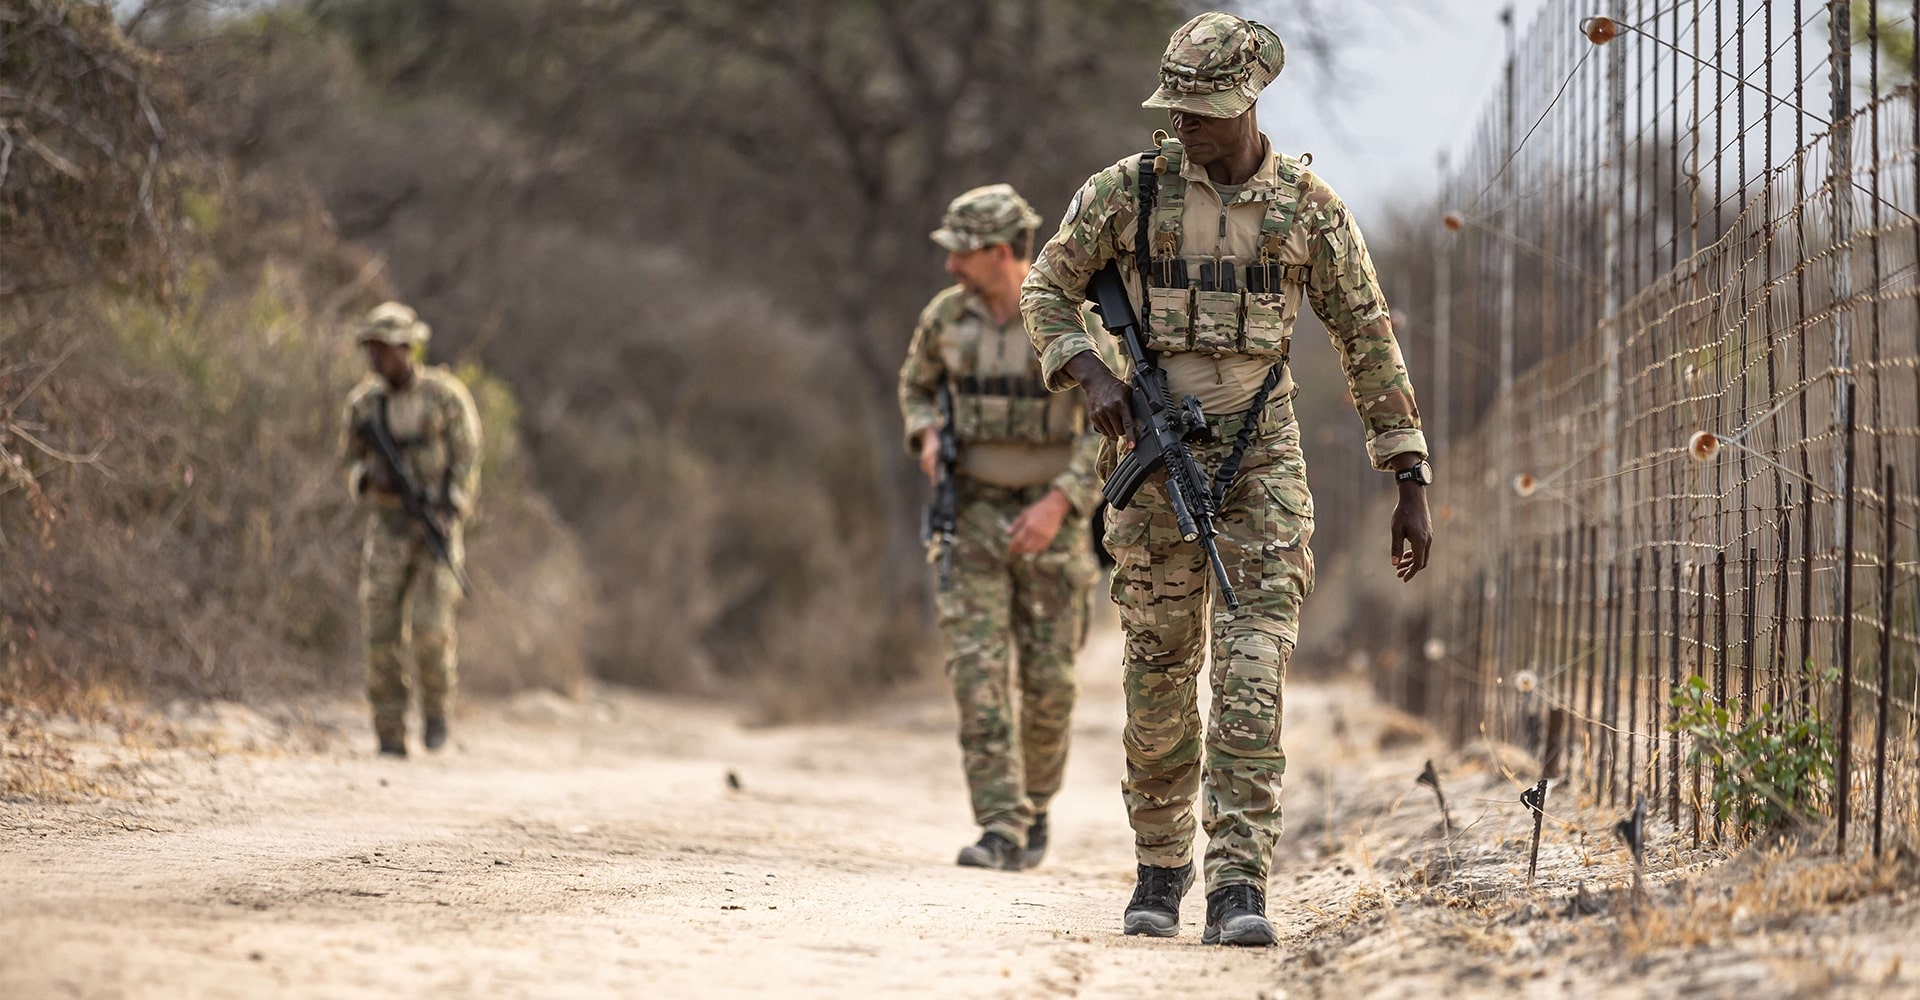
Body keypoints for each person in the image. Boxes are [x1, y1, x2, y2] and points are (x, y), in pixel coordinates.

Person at [1020, 12, 1434, 945]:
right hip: (1155, 462)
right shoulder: (1127, 193)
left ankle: (1239, 884)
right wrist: (1088, 371)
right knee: (1161, 672)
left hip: (1262, 458)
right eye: (1177, 109)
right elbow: (1046, 288)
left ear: (1251, 103)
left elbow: (1368, 337)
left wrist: (1407, 473)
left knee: (1251, 671)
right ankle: (1160, 871)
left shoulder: (1307, 211)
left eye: (1204, 110)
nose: (1187, 126)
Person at [899, 184, 1109, 871]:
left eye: (962, 253)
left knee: (1049, 684)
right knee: (976, 673)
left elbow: (1114, 421)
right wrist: (926, 432)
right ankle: (998, 824)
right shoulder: (944, 318)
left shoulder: (1066, 316)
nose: (951, 267)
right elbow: (917, 385)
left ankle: (1035, 803)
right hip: (974, 512)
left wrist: (1061, 505)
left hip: (1052, 519)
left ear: (997, 251)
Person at [339, 302, 482, 758]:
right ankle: (389, 732)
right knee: (379, 629)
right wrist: (367, 478)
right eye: (372, 350)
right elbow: (349, 460)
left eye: (384, 349)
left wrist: (450, 506)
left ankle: (437, 713)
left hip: (435, 524)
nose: (377, 359)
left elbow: (467, 461)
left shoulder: (446, 397)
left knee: (430, 629)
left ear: (407, 348)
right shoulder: (364, 404)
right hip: (388, 528)